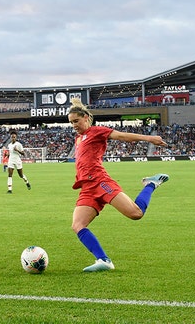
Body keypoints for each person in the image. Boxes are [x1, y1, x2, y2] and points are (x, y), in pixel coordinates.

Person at [67, 98, 169, 272]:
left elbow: (122, 136)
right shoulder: (78, 139)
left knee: (136, 213)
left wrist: (150, 138)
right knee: (77, 225)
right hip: (87, 188)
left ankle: (151, 184)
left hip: (100, 182)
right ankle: (103, 260)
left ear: (86, 118)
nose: (74, 125)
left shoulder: (96, 131)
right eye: (71, 123)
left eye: (76, 121)